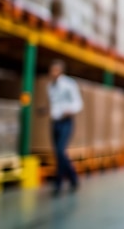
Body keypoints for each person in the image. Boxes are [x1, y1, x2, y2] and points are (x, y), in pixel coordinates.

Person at [47, 59, 82, 195]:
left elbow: (78, 103)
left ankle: (58, 184)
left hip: (66, 121)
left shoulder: (69, 84)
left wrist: (70, 110)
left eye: (56, 70)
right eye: (52, 70)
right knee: (58, 153)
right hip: (55, 122)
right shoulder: (50, 86)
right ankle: (73, 179)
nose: (53, 73)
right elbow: (54, 104)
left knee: (61, 151)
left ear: (61, 71)